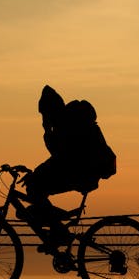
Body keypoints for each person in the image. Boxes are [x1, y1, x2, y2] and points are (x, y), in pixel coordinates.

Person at [22, 85, 116, 253]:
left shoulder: (66, 124)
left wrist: (35, 174)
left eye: (43, 114)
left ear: (50, 110)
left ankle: (59, 233)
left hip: (82, 173)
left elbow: (61, 157)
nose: (43, 118)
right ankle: (56, 225)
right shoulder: (66, 121)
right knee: (36, 194)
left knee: (36, 189)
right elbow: (59, 159)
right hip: (80, 170)